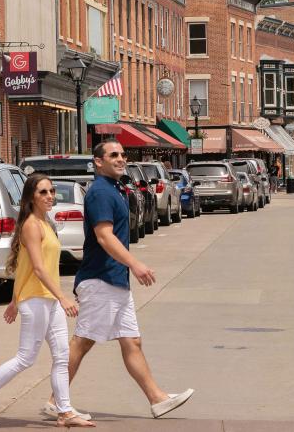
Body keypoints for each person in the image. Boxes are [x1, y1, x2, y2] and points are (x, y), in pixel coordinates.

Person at [65, 141, 194, 419]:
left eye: (123, 154)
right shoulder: (100, 192)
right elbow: (104, 236)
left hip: (115, 280)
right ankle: (58, 401)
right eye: (114, 155)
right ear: (98, 161)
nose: (121, 159)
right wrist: (135, 264)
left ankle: (157, 399)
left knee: (132, 342)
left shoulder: (114, 188)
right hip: (100, 279)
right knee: (82, 341)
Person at [0, 174, 94, 429]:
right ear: (31, 198)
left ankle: (65, 412)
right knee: (26, 358)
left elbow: (22, 266)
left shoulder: (45, 222)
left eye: (51, 191)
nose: (50, 197)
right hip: (37, 300)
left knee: (61, 355)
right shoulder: (32, 225)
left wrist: (14, 300)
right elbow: (37, 268)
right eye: (43, 192)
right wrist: (62, 297)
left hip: (44, 299)